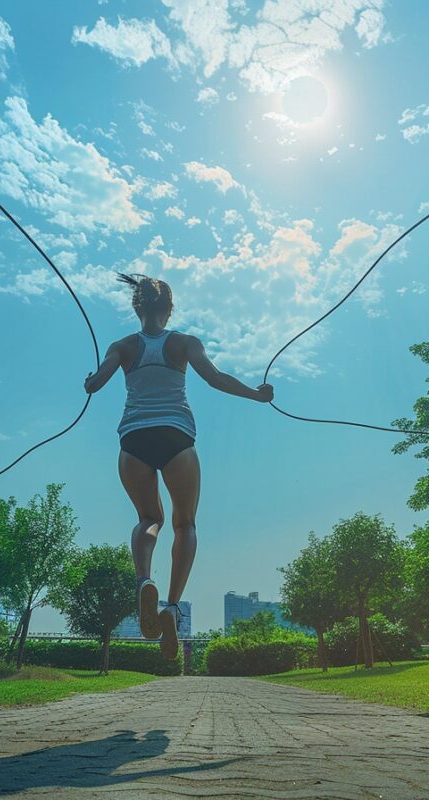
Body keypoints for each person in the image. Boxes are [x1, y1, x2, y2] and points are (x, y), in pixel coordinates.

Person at [84, 274, 273, 659]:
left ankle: (143, 583)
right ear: (169, 309)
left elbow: (96, 383)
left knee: (148, 518)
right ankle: (170, 606)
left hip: (133, 440)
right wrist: (256, 395)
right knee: (184, 522)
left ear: (137, 308)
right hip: (176, 438)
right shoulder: (185, 343)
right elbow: (216, 379)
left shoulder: (121, 346)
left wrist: (92, 379)